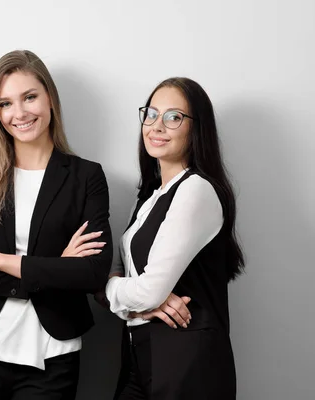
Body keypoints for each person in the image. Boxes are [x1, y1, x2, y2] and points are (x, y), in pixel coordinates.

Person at [0, 50, 113, 400]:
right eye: (5, 103)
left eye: (29, 97)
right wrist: (55, 268)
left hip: (52, 354)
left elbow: (93, 273)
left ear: (49, 97)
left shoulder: (86, 177)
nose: (18, 114)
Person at [106, 77, 244, 400]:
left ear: (196, 129)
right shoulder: (149, 197)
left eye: (173, 117)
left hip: (187, 365)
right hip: (141, 359)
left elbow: (146, 290)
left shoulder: (196, 189)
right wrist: (136, 304)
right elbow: (130, 282)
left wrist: (114, 290)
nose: (157, 125)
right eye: (151, 114)